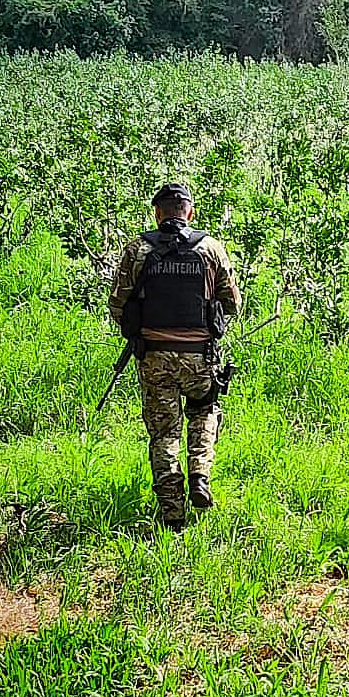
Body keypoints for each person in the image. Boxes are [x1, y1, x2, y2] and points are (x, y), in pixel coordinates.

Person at [108, 183, 241, 530]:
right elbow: (234, 303)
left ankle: (172, 514)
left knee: (164, 434)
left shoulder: (138, 250)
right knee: (205, 411)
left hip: (154, 359)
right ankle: (200, 474)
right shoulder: (210, 249)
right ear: (189, 212)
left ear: (157, 213)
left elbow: (117, 304)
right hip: (200, 357)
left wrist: (142, 333)